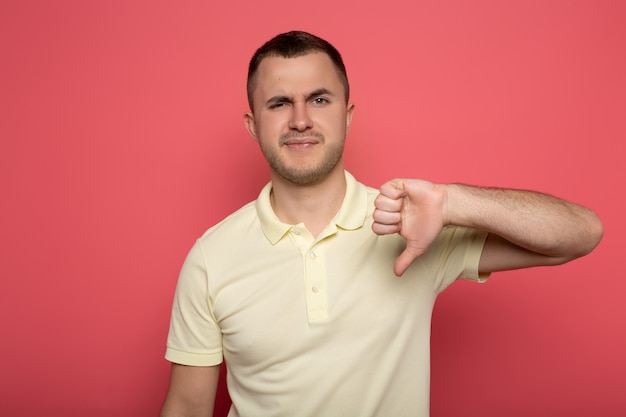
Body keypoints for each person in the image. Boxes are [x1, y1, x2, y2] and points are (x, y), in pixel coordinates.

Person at [160, 31, 603, 417]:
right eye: (279, 103)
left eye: (319, 99)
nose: (300, 120)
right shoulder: (211, 256)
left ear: (347, 116)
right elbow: (187, 408)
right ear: (253, 125)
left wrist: (453, 201)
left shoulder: (414, 226)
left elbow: (580, 234)